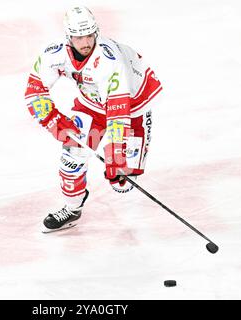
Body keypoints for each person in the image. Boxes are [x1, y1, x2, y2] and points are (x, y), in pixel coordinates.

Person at [24, 6, 163, 232]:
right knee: (72, 156)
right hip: (92, 104)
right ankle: (72, 208)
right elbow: (34, 90)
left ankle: (123, 169)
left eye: (89, 35)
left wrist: (117, 152)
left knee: (123, 183)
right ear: (69, 37)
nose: (85, 42)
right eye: (79, 37)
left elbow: (119, 111)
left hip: (134, 104)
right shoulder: (53, 54)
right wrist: (53, 120)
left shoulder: (109, 60)